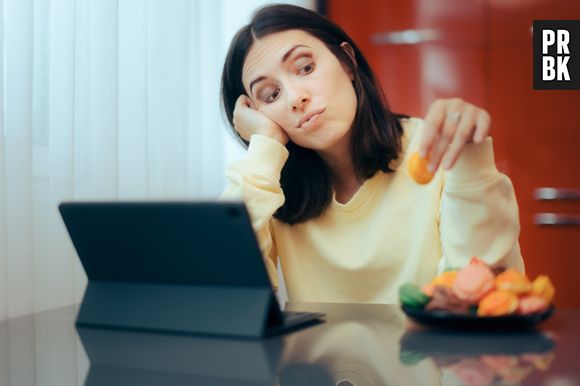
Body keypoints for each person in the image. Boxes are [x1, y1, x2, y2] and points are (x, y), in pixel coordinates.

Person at [220, 4, 524, 304]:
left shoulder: (434, 149)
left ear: (347, 62)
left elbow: (481, 293)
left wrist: (469, 164)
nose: (295, 98)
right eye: (271, 95)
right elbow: (222, 294)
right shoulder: (269, 189)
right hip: (315, 356)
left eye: (306, 68)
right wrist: (265, 145)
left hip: (433, 353)